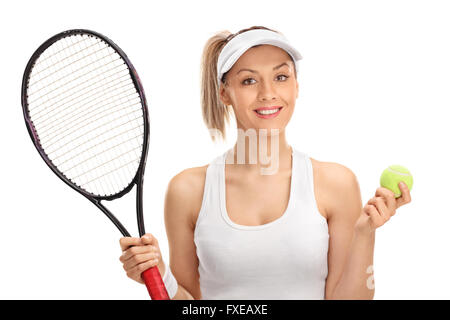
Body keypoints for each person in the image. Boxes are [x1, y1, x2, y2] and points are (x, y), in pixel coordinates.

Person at [118, 26, 412, 300]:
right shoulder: (188, 189)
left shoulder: (336, 183)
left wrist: (365, 233)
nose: (268, 92)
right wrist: (159, 274)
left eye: (281, 77)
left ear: (297, 86)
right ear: (224, 93)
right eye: (249, 80)